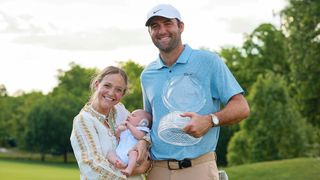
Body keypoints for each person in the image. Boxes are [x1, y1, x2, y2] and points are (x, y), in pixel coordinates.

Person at [140, 4, 250, 180]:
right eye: (155, 26)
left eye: (167, 23)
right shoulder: (147, 75)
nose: (161, 30)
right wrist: (140, 141)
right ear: (150, 33)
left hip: (198, 168)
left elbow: (241, 107)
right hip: (156, 170)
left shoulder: (209, 61)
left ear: (180, 26)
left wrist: (210, 120)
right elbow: (150, 119)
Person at [70, 66, 150, 180]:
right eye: (107, 85)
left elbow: (144, 130)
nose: (112, 93)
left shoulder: (120, 110)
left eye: (119, 90)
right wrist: (138, 170)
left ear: (123, 94)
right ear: (97, 84)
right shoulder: (83, 120)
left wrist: (144, 141)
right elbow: (93, 167)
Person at [107, 109, 152, 176]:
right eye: (130, 114)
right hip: (120, 153)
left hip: (131, 156)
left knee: (133, 153)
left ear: (143, 122)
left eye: (133, 115)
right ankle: (118, 163)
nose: (129, 116)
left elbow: (140, 136)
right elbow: (117, 137)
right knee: (110, 154)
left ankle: (129, 169)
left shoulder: (142, 129)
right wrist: (119, 130)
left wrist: (129, 126)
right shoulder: (126, 129)